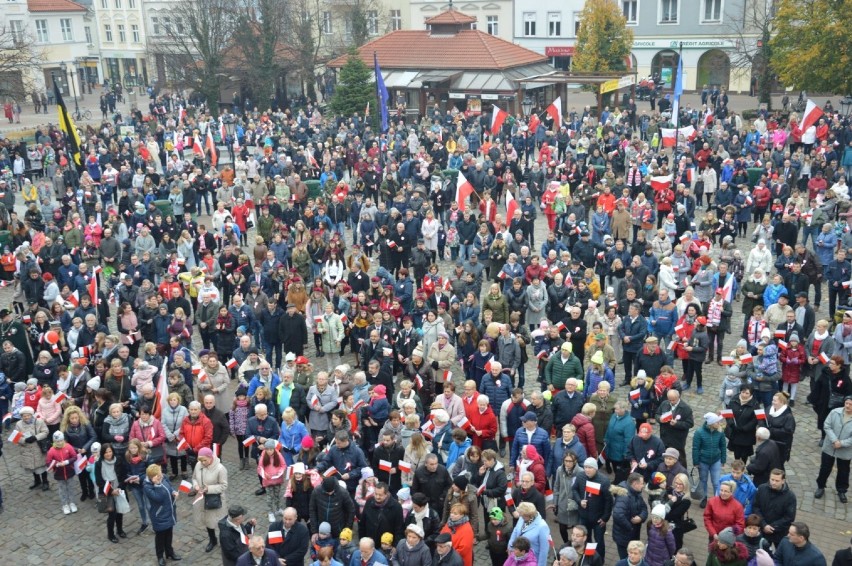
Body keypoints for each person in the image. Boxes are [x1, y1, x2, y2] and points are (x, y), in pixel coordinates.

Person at [572, 457, 613, 561]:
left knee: (599, 542)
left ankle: (599, 561)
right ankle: (589, 559)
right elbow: (574, 489)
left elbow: (609, 501)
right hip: (584, 517)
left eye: (590, 467)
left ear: (595, 468)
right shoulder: (580, 476)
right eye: (585, 467)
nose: (587, 470)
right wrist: (579, 501)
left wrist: (605, 518)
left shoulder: (604, 481)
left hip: (598, 519)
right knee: (586, 540)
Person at [815, 395, 852, 503]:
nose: (848, 406)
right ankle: (820, 486)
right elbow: (827, 425)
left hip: (845, 450)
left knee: (844, 471)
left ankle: (842, 490)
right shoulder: (835, 412)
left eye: (850, 404)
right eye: (847, 403)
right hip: (830, 447)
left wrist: (842, 443)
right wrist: (834, 440)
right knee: (825, 468)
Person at [143, 463, 181, 566]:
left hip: (169, 511)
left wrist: (173, 492)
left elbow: (169, 486)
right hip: (159, 515)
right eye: (158, 475)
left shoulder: (163, 476)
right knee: (160, 538)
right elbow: (158, 498)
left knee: (169, 534)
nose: (161, 476)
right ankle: (160, 556)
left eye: (160, 473)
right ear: (152, 477)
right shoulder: (147, 487)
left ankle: (170, 552)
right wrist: (157, 484)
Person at [193, 446, 229, 553]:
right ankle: (212, 540)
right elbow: (194, 478)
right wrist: (196, 486)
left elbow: (224, 486)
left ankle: (225, 541)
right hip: (203, 499)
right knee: (208, 521)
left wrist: (208, 489)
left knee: (221, 522)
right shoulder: (198, 465)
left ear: (210, 457)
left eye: (205, 460)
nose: (203, 462)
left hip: (216, 499)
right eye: (201, 460)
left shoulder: (220, 468)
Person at [752, 469, 797, 550]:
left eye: (777, 480)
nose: (773, 482)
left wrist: (772, 527)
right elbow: (756, 507)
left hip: (780, 533)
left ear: (783, 481)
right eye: (772, 479)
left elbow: (789, 517)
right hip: (763, 530)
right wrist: (764, 524)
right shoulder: (762, 489)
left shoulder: (790, 497)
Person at [94, 443, 128, 543]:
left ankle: (120, 530)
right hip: (107, 491)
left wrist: (119, 488)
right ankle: (111, 534)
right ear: (102, 454)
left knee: (120, 512)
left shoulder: (119, 460)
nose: (108, 454)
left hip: (119, 489)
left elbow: (123, 475)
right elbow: (99, 481)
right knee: (112, 514)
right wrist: (111, 491)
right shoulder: (99, 464)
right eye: (106, 452)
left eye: (110, 451)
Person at [692, 412, 727, 508]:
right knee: (703, 480)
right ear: (711, 423)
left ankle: (717, 500)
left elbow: (723, 446)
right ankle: (704, 498)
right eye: (717, 422)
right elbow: (695, 448)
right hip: (703, 461)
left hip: (716, 460)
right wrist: (696, 462)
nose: (719, 424)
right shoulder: (699, 432)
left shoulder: (720, 432)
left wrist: (723, 459)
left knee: (716, 482)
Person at [611, 473, 649, 560]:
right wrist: (630, 527)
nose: (643, 485)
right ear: (635, 484)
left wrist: (641, 517)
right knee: (626, 559)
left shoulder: (636, 492)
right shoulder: (624, 496)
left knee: (632, 559)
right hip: (624, 537)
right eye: (642, 483)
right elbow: (617, 515)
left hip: (632, 535)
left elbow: (644, 508)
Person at [507, 502, 550, 566]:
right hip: (519, 556)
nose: (520, 516)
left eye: (522, 515)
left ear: (529, 515)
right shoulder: (522, 518)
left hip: (531, 560)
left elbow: (544, 550)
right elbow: (516, 530)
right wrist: (510, 546)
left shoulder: (542, 526)